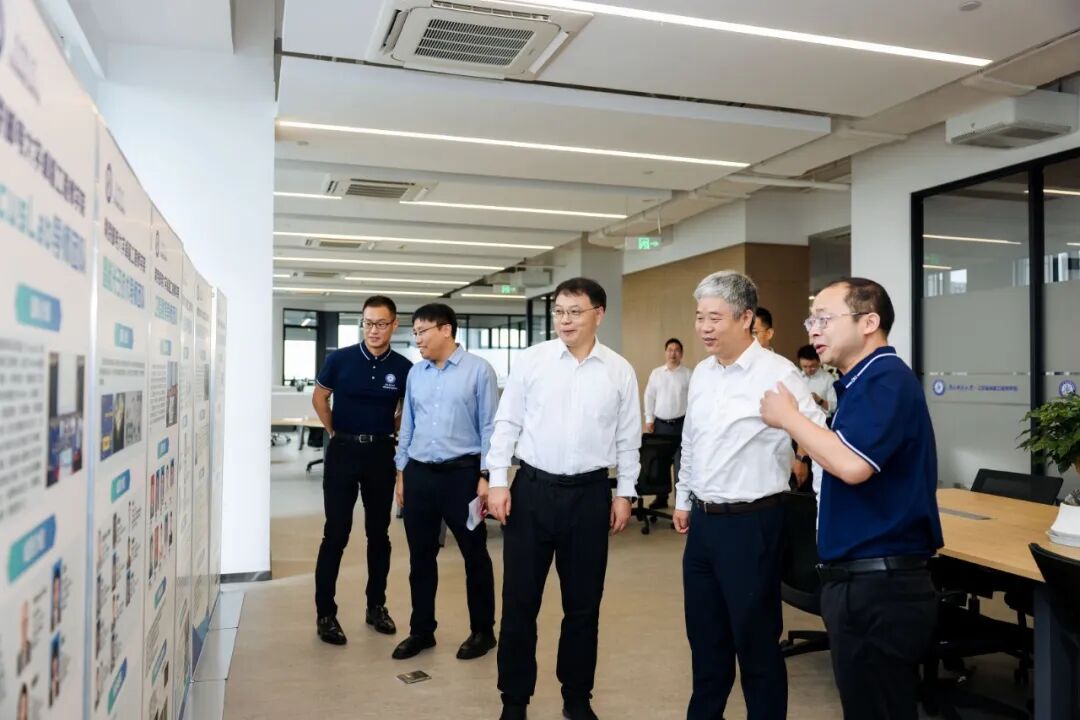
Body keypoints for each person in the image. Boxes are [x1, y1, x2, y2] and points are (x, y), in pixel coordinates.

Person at [760, 277, 943, 720]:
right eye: (811, 320)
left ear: (869, 322)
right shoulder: (859, 382)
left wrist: (789, 419)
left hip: (879, 586)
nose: (813, 330)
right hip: (860, 581)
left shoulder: (884, 379)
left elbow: (852, 465)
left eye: (824, 319)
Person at [486, 277, 641, 720]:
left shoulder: (619, 371)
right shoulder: (533, 360)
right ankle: (514, 700)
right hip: (532, 493)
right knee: (519, 603)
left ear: (599, 314)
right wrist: (498, 480)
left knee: (583, 606)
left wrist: (625, 492)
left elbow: (628, 439)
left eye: (575, 311)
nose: (565, 320)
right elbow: (507, 423)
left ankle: (577, 698)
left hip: (590, 496)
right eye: (559, 311)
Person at [674, 271, 825, 720]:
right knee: (705, 641)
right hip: (703, 524)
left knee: (756, 645)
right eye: (699, 317)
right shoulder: (703, 372)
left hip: (753, 525)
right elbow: (691, 440)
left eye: (714, 318)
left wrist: (826, 515)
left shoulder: (778, 374)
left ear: (746, 318)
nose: (704, 327)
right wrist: (683, 498)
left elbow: (819, 440)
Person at [391, 303, 499, 662]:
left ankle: (483, 631)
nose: (417, 339)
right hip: (419, 475)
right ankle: (421, 631)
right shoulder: (416, 373)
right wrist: (402, 473)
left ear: (446, 330)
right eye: (415, 333)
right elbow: (408, 425)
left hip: (462, 477)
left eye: (422, 331)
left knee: (474, 555)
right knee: (420, 558)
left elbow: (490, 428)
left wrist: (486, 476)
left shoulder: (479, 371)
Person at [311, 295, 413, 645]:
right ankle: (326, 614)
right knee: (336, 533)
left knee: (379, 535)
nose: (373, 330)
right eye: (368, 323)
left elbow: (408, 409)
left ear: (394, 325)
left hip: (381, 453)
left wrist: (389, 427)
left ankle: (376, 606)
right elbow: (319, 398)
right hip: (343, 452)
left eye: (381, 324)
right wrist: (334, 431)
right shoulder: (339, 360)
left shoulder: (403, 367)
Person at [642, 338, 691, 509]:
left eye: (677, 350)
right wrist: (649, 419)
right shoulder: (656, 373)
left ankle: (681, 502)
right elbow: (649, 396)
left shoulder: (688, 374)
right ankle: (661, 498)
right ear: (665, 352)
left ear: (681, 353)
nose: (673, 353)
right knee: (660, 464)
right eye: (670, 350)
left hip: (681, 426)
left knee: (680, 465)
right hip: (660, 425)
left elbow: (694, 400)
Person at [796, 344, 836, 419]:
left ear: (819, 362)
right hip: (801, 419)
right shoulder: (797, 377)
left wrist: (819, 400)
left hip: (822, 420)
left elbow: (834, 407)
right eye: (804, 367)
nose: (808, 370)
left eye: (812, 366)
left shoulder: (828, 379)